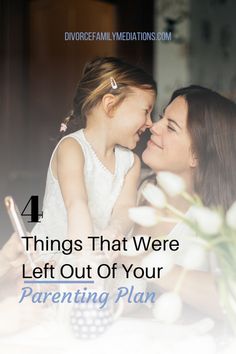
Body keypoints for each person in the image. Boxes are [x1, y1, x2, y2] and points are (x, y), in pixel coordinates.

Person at [32, 57, 156, 247]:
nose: (150, 123)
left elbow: (125, 209)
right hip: (58, 253)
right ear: (111, 105)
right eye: (146, 111)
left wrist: (115, 231)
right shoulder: (72, 148)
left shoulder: (131, 163)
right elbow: (77, 206)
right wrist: (84, 258)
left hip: (98, 256)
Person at [137, 85, 236, 318]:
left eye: (171, 126)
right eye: (162, 117)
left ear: (197, 155)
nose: (154, 126)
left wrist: (145, 263)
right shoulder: (131, 186)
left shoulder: (216, 224)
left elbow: (230, 297)